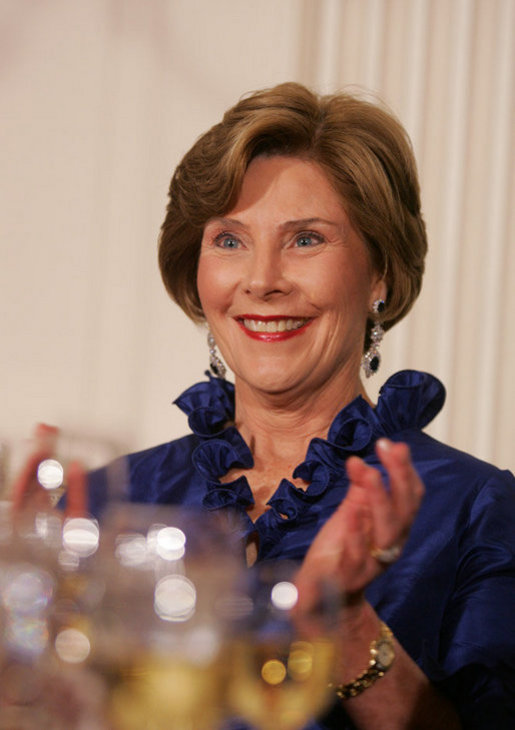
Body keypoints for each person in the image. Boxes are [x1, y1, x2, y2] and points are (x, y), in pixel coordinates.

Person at [17, 83, 515, 729]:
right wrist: (18, 631)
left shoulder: (476, 510)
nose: (261, 279)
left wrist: (343, 621)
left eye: (305, 239)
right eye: (229, 240)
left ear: (381, 273)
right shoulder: (108, 502)